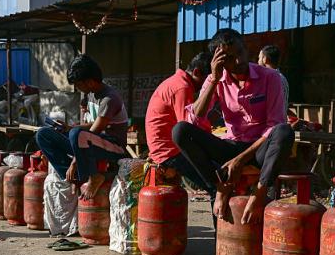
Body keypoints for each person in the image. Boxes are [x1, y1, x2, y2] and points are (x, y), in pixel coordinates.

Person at [172, 28, 294, 225]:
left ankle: (259, 194)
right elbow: (196, 117)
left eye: (240, 52)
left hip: (260, 148)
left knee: (284, 131)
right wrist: (213, 78)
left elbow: (274, 126)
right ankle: (218, 187)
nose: (238, 61)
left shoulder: (270, 77)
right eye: (229, 58)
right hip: (232, 146)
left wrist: (239, 160)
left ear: (246, 49)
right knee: (180, 130)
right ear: (218, 60)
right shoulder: (217, 80)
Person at [35, 54, 129, 200]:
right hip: (92, 142)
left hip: (114, 147)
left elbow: (92, 131)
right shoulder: (91, 94)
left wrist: (74, 162)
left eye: (78, 84)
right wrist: (69, 127)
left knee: (76, 134)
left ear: (90, 82)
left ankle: (94, 176)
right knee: (43, 134)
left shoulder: (109, 98)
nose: (78, 88)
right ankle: (77, 178)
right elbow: (93, 125)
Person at [144, 52, 211, 188]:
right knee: (215, 183)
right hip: (168, 151)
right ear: (197, 72)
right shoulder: (183, 88)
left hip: (162, 148)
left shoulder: (175, 82)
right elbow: (187, 127)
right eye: (208, 81)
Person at [257, 45, 290, 116]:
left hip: (274, 124)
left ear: (265, 59)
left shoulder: (275, 79)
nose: (258, 61)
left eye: (259, 58)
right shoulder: (280, 78)